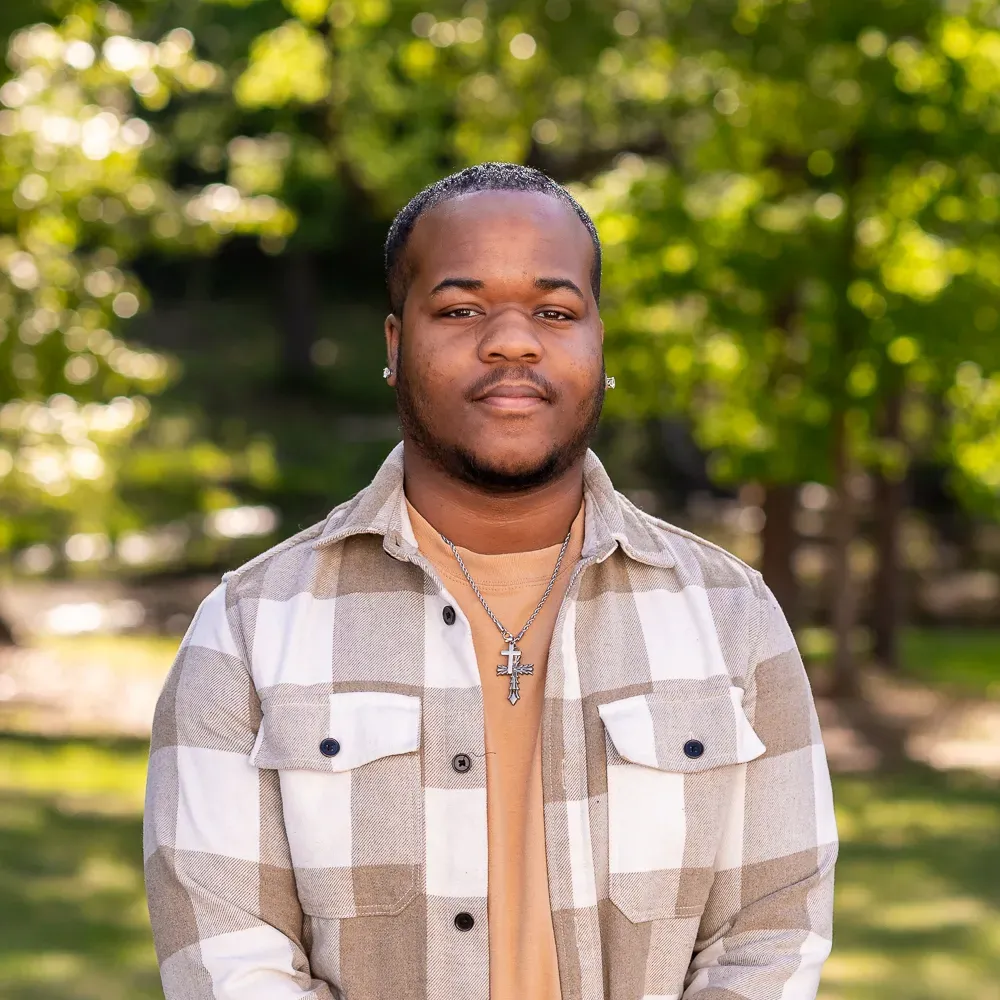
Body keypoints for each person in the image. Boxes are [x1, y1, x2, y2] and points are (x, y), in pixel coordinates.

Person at [144, 162, 837, 1000]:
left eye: (554, 310)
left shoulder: (733, 619)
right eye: (462, 309)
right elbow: (230, 965)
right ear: (396, 345)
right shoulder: (247, 630)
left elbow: (771, 936)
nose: (513, 341)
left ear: (598, 344)